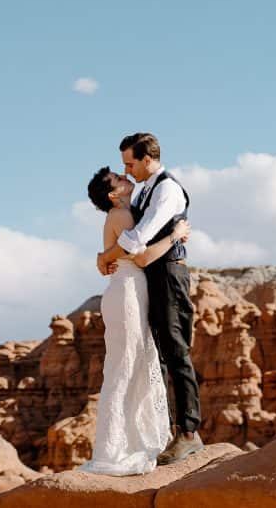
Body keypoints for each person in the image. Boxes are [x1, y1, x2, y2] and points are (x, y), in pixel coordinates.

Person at [96, 133, 204, 465]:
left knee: (175, 348)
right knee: (156, 353)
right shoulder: (145, 189)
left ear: (147, 158)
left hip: (168, 273)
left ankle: (188, 433)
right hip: (150, 278)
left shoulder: (167, 189)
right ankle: (165, 431)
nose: (126, 169)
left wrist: (105, 256)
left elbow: (138, 239)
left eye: (130, 163)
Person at [79, 166, 190, 475]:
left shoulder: (124, 213)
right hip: (128, 292)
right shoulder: (122, 217)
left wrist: (103, 258)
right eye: (118, 178)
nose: (124, 176)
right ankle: (119, 449)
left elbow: (111, 255)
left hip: (126, 291)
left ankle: (127, 442)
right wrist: (175, 236)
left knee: (129, 364)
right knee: (128, 365)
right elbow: (141, 258)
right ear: (114, 194)